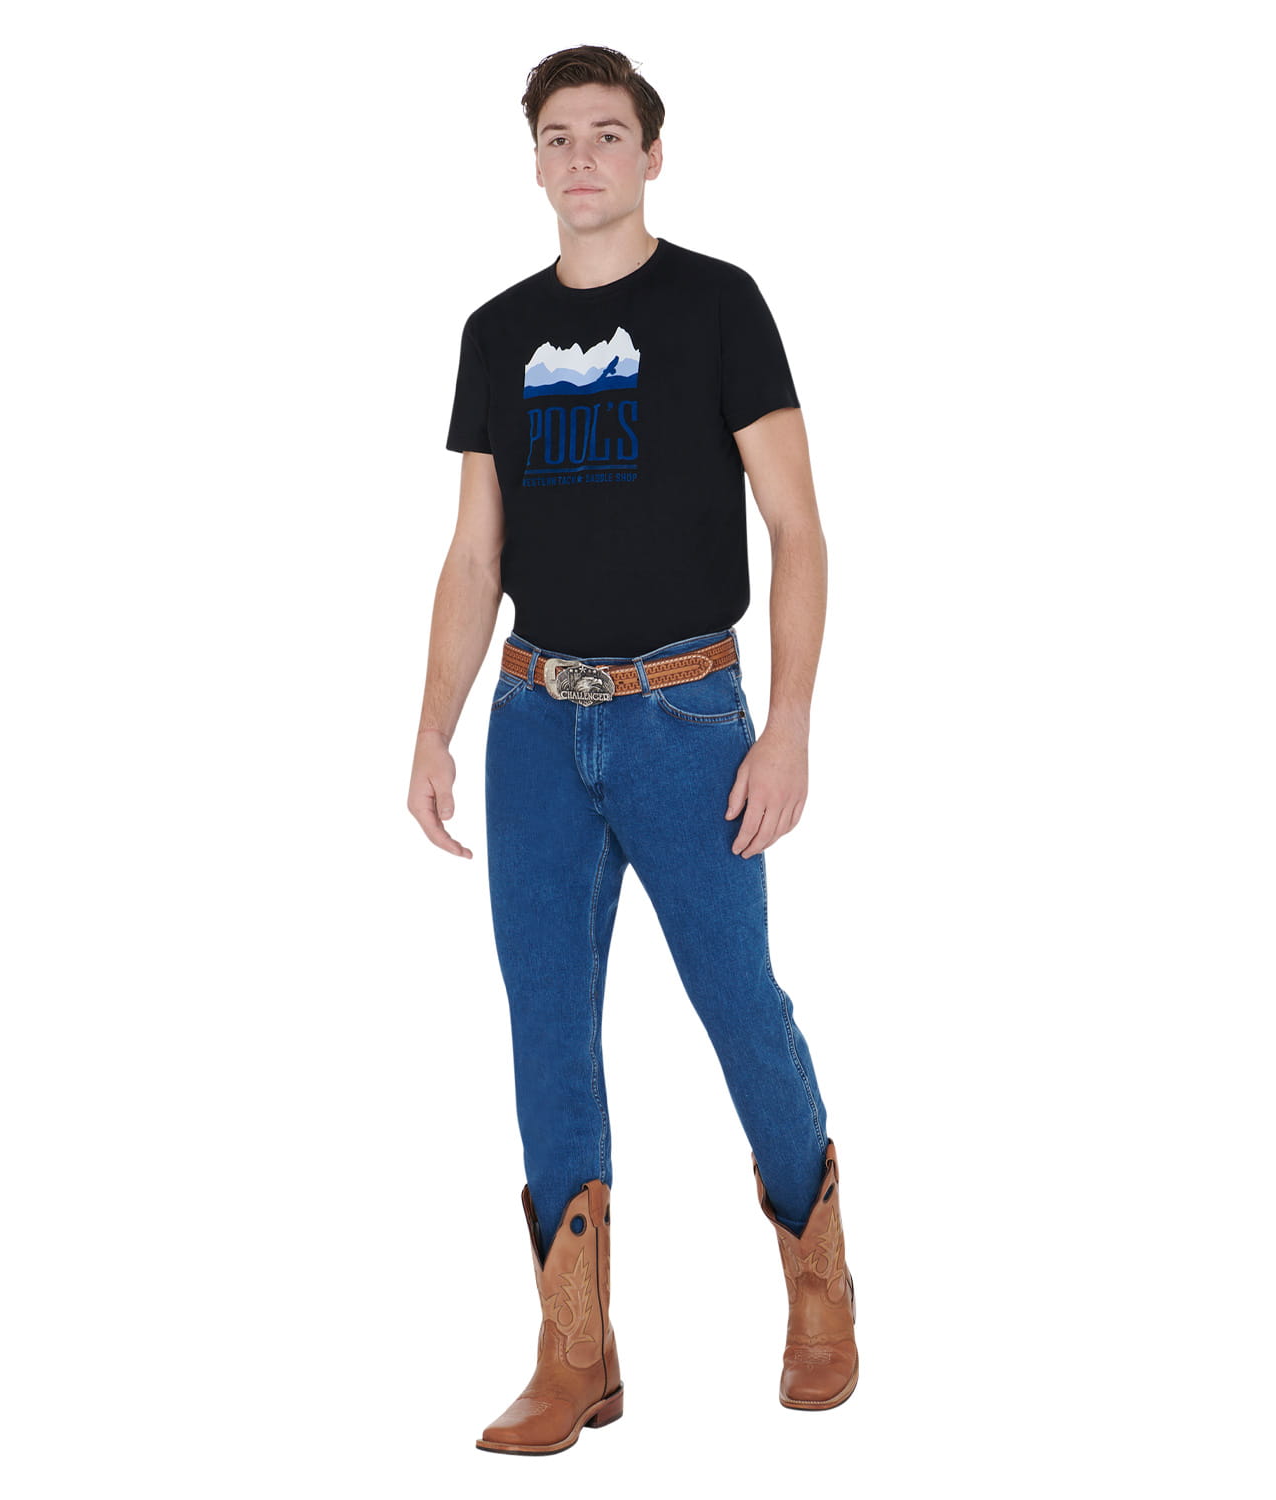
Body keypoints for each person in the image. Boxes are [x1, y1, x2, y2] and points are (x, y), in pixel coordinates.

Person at [408, 44, 858, 1454]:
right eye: (559, 136)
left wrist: (789, 726)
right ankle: (575, 1353)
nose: (583, 158)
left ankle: (820, 1287)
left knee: (740, 1004)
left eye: (609, 134)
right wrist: (431, 725)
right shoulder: (496, 331)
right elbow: (474, 553)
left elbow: (797, 530)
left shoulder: (718, 305)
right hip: (536, 721)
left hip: (687, 716)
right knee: (546, 1024)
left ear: (652, 155)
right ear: (535, 161)